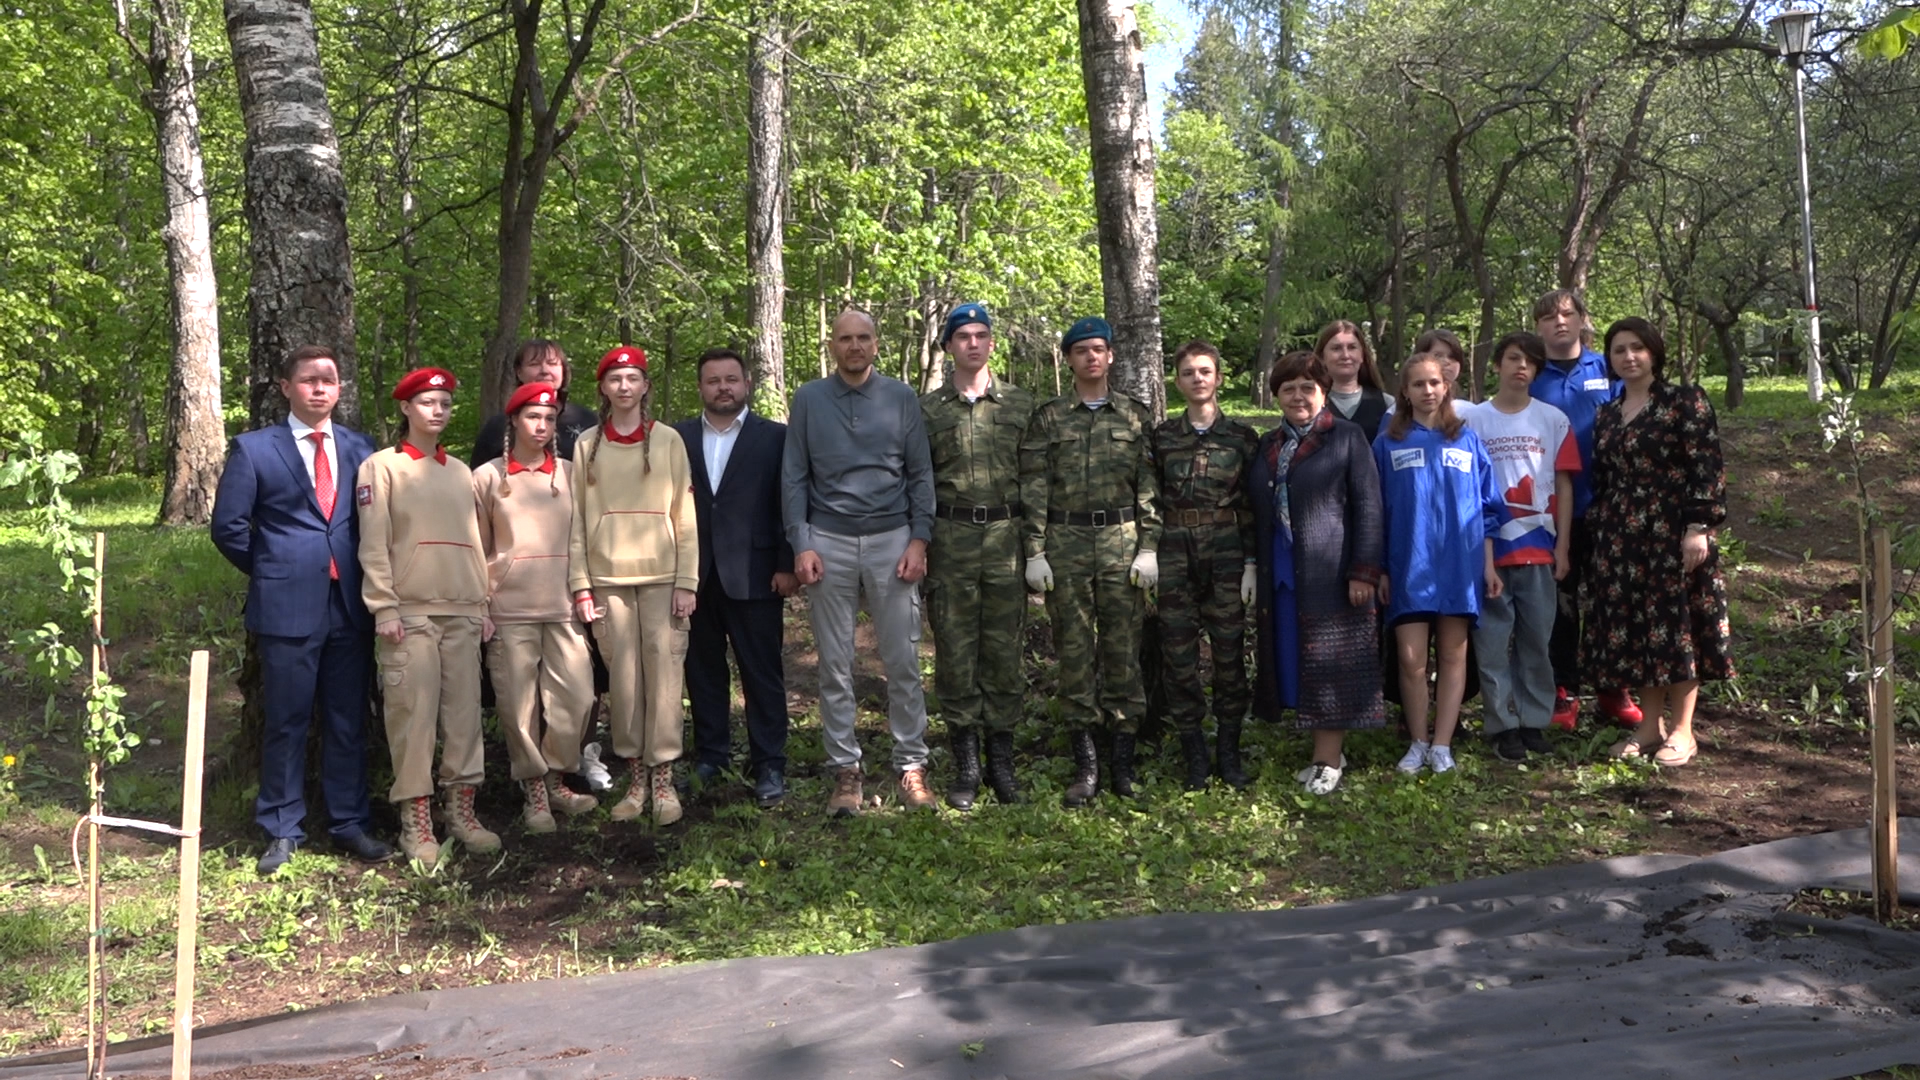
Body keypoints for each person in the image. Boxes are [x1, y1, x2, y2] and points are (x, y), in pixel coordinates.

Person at [211, 345, 393, 874]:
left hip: (350, 606)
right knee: (287, 722)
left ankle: (348, 822)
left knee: (347, 719)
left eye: (329, 380)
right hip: (286, 606)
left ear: (340, 390)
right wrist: (276, 568)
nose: (319, 388)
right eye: (308, 380)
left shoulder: (362, 449)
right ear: (286, 387)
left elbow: (375, 522)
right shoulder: (253, 450)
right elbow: (228, 528)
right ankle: (282, 828)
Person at [783, 308, 938, 816]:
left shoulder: (900, 398)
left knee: (903, 660)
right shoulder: (809, 399)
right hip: (828, 540)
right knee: (835, 664)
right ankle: (845, 769)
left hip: (892, 539)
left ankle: (911, 764)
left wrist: (919, 539)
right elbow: (795, 477)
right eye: (845, 338)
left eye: (863, 338)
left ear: (876, 344)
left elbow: (920, 474)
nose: (854, 346)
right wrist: (801, 543)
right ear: (833, 346)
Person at [357, 367, 497, 864]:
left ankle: (462, 813)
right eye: (427, 402)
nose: (437, 411)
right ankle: (414, 824)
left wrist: (481, 601)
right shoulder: (382, 467)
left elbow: (475, 541)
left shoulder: (461, 471)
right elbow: (373, 544)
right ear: (406, 408)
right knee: (412, 719)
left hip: (461, 609)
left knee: (464, 719)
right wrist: (384, 606)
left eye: (444, 403)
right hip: (409, 614)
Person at [1020, 316, 1161, 806]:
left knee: (1123, 651)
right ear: (1069, 359)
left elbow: (1148, 486)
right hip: (1067, 541)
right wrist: (1034, 550)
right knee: (1075, 653)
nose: (1092, 357)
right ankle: (1086, 764)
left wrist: (1149, 546)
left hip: (1122, 541)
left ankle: (1122, 762)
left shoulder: (1136, 416)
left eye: (1099, 349)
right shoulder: (1049, 418)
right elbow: (1035, 486)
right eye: (1082, 351)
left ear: (1112, 356)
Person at [1584, 318, 1732, 766]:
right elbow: (1605, 478)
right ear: (1609, 359)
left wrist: (1698, 528)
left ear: (1654, 353)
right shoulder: (1607, 413)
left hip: (1673, 532)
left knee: (1677, 630)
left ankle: (1683, 732)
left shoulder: (1685, 402)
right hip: (1622, 538)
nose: (1629, 357)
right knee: (1639, 633)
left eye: (1637, 348)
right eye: (1619, 350)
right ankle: (1649, 729)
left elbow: (1706, 467)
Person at [569, 345, 699, 826]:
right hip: (608, 582)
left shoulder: (667, 441)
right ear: (603, 388)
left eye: (633, 378)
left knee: (665, 682)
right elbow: (578, 523)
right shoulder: (587, 445)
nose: (624, 387)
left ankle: (663, 783)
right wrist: (582, 584)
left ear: (645, 386)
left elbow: (684, 516)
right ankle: (635, 781)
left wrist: (687, 580)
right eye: (615, 379)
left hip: (664, 579)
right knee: (623, 684)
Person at [1249, 351, 1385, 796]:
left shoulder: (1345, 438)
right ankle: (1328, 751)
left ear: (1323, 391)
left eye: (1307, 387)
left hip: (1334, 573)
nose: (1297, 396)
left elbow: (1368, 505)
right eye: (1288, 388)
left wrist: (1364, 571)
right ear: (1276, 397)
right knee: (1299, 663)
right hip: (1284, 574)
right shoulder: (1269, 445)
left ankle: (1327, 761)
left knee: (1333, 665)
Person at [920, 303, 1034, 809]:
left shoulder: (1021, 406)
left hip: (1007, 539)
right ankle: (966, 763)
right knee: (956, 652)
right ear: (947, 346)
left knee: (1004, 653)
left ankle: (1002, 761)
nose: (972, 343)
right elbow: (916, 482)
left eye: (981, 335)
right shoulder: (928, 411)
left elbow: (1036, 481)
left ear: (991, 344)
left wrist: (1037, 550)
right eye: (962, 336)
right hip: (951, 541)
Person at [473, 382, 600, 830]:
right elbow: (477, 548)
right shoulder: (488, 477)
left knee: (578, 695)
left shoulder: (570, 473)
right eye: (533, 417)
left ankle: (559, 777)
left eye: (550, 418)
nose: (542, 426)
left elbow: (586, 535)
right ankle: (534, 791)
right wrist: (482, 605)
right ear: (513, 420)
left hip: (563, 604)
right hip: (509, 610)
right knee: (519, 706)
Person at [674, 347, 797, 809]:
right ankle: (712, 756)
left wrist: (786, 563)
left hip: (757, 573)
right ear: (701, 387)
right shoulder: (677, 437)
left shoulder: (776, 437)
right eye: (713, 380)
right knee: (702, 672)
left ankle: (769, 762)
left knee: (761, 672)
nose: (723, 387)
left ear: (746, 384)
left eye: (731, 379)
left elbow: (789, 500)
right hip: (696, 576)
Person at [1374, 355, 1503, 775]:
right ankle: (1417, 740)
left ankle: (1443, 744)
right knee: (1411, 661)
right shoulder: (1387, 442)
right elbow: (1374, 511)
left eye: (1434, 383)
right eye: (1417, 384)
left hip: (1458, 568)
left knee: (1453, 656)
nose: (1427, 391)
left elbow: (1486, 509)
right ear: (1405, 393)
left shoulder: (1466, 440)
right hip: (1408, 565)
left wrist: (1487, 567)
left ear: (1446, 387)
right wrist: (1381, 569)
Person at [1462, 333, 1580, 762]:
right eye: (1513, 359)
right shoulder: (1474, 420)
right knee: (1492, 645)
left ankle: (1534, 720)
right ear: (1496, 364)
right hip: (1490, 552)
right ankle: (1502, 724)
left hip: (1540, 549)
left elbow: (1563, 485)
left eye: (1531, 361)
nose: (1522, 368)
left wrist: (1563, 545)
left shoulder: (1552, 419)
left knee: (1536, 641)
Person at [1529, 290, 1641, 730]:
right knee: (1560, 603)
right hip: (1551, 511)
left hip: (1610, 505)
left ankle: (1615, 688)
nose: (1559, 322)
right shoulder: (1529, 373)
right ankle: (1564, 690)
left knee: (1611, 601)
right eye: (1549, 317)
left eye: (1567, 314)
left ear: (1582, 320)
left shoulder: (1607, 367)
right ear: (1538, 326)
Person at [1151, 340, 1259, 790]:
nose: (1197, 379)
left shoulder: (1241, 438)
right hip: (1174, 551)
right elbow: (1149, 499)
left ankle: (1229, 750)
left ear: (1218, 378)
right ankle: (1194, 751)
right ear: (1177, 382)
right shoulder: (1161, 438)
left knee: (1229, 653)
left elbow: (1254, 504)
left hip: (1227, 550)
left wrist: (1252, 561)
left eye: (1205, 371)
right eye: (1189, 372)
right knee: (1178, 656)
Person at [468, 339, 600, 467]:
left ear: (563, 371)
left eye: (552, 363)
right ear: (519, 373)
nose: (544, 370)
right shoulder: (498, 426)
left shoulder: (586, 419)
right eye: (534, 364)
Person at [1316, 320, 1391, 436]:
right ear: (1322, 358)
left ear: (1362, 355)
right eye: (1336, 348)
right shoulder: (1311, 405)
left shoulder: (1387, 404)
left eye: (1352, 347)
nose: (1345, 355)